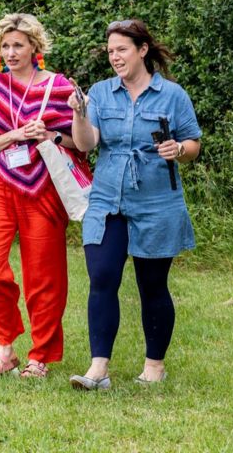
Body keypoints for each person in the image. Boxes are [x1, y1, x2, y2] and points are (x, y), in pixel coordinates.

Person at [67, 20, 201, 391]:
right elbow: (85, 144)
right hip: (108, 201)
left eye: (121, 49)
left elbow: (193, 144)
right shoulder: (100, 93)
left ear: (142, 50)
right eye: (110, 51)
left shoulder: (172, 95)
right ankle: (98, 369)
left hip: (157, 204)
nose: (115, 57)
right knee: (102, 279)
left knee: (152, 286)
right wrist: (79, 113)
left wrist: (178, 150)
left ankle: (154, 365)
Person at [0, 13, 90, 379]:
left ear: (35, 46)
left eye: (18, 45)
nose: (11, 52)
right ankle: (5, 347)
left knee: (45, 274)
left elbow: (80, 145)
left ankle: (40, 355)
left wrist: (48, 135)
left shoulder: (60, 87)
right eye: (5, 46)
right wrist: (15, 135)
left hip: (44, 186)